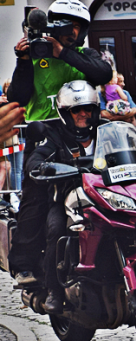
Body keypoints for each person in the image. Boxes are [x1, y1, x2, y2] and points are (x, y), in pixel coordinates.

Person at [9, 80, 102, 312]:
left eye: (87, 108)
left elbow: (127, 147)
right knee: (56, 227)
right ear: (65, 113)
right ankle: (54, 289)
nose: (83, 114)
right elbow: (37, 155)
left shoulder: (106, 130)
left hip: (104, 197)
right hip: (68, 200)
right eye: (76, 110)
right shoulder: (54, 135)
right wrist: (40, 165)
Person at [7, 1, 112, 123]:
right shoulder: (35, 56)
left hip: (79, 128)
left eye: (76, 26)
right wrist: (23, 61)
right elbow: (17, 99)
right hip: (42, 129)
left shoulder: (86, 54)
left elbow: (105, 75)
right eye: (66, 25)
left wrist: (63, 53)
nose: (71, 30)